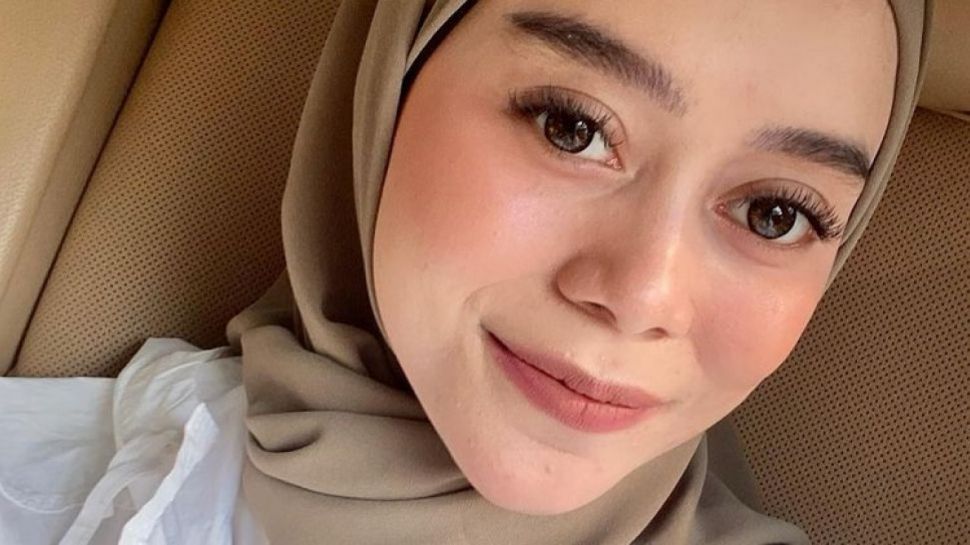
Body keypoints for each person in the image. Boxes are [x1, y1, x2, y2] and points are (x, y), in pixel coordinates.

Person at [0, 0, 932, 544]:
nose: (642, 294)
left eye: (776, 215)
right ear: (387, 89)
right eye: (572, 127)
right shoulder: (68, 478)